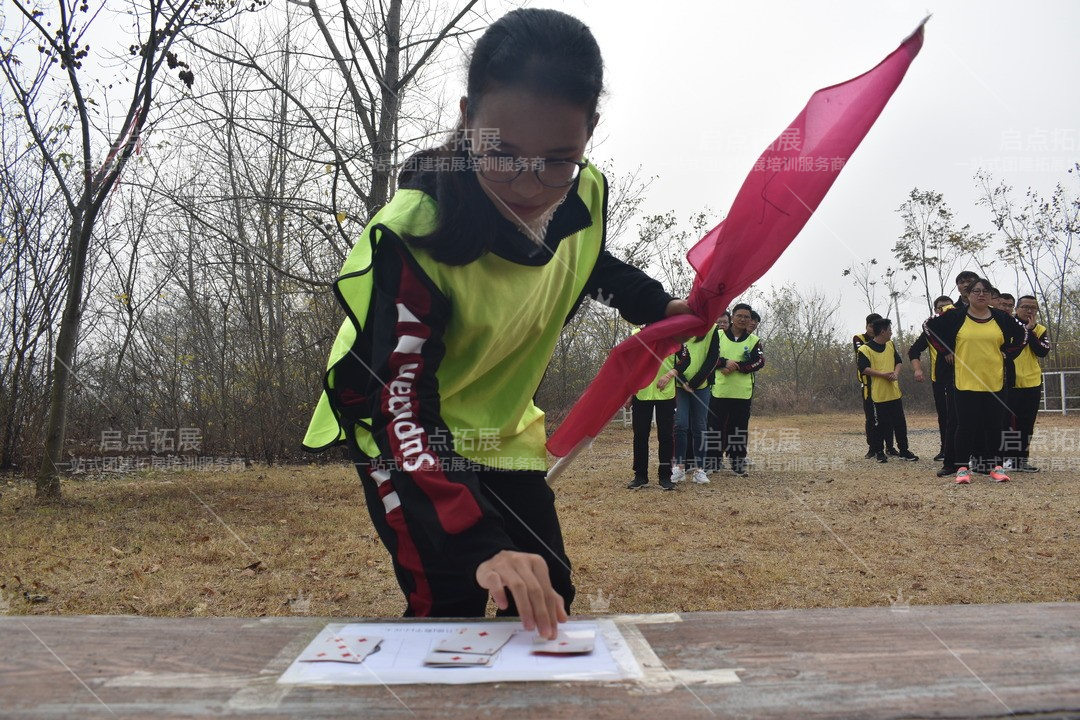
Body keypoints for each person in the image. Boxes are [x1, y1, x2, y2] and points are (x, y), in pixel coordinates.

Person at [302, 8, 692, 639]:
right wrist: (482, 542)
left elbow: (584, 256)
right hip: (400, 426)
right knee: (452, 595)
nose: (529, 186)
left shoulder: (582, 190)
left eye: (557, 159)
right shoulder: (414, 235)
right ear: (467, 118)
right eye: (502, 154)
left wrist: (655, 304)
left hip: (500, 428)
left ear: (589, 132)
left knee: (546, 591)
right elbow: (400, 403)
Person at [925, 277, 1027, 484]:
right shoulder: (955, 316)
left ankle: (996, 467)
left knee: (995, 426)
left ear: (991, 296)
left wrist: (1009, 353)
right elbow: (928, 327)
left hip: (995, 381)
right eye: (976, 291)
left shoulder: (1001, 317)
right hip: (965, 382)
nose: (981, 295)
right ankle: (962, 468)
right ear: (968, 295)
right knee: (965, 425)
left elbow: (1023, 333)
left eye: (985, 291)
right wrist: (946, 350)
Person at [711, 303, 765, 476]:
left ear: (750, 320)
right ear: (732, 317)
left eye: (746, 317)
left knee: (738, 428)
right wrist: (723, 363)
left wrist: (738, 366)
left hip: (742, 393)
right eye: (739, 316)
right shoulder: (717, 335)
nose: (742, 319)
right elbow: (710, 356)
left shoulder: (753, 340)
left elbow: (759, 362)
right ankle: (713, 460)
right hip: (718, 390)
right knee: (714, 427)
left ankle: (737, 462)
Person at [858, 318, 918, 463]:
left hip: (894, 392)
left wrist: (895, 373)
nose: (891, 333)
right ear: (883, 331)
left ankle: (904, 450)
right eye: (890, 330)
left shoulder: (890, 345)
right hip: (877, 394)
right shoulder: (864, 349)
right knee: (880, 424)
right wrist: (883, 375)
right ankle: (879, 451)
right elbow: (863, 369)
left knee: (899, 423)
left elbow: (898, 361)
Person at [670, 320, 720, 484]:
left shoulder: (712, 328)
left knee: (700, 426)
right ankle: (679, 467)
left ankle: (700, 470)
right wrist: (683, 380)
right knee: (681, 424)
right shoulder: (676, 326)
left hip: (702, 385)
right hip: (679, 384)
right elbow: (673, 356)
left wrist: (695, 382)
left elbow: (713, 358)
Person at [1005, 296, 1050, 472]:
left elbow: (1042, 351)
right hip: (1011, 382)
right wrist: (1024, 331)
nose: (1029, 310)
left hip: (1032, 382)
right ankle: (1008, 458)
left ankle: (1022, 460)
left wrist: (1030, 331)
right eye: (1025, 306)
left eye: (1034, 307)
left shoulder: (1040, 329)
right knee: (1009, 424)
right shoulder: (1008, 326)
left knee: (1027, 423)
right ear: (1017, 308)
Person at [628, 330, 677, 491]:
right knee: (640, 435)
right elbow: (630, 365)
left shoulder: (674, 334)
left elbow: (685, 360)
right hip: (641, 393)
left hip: (666, 393)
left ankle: (665, 476)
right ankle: (640, 476)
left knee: (666, 436)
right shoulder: (636, 334)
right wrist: (628, 393)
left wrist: (670, 374)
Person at [909, 295, 954, 461]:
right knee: (944, 414)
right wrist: (917, 370)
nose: (944, 310)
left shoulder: (961, 325)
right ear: (935, 310)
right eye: (940, 307)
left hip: (964, 378)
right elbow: (913, 351)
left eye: (948, 306)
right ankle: (945, 449)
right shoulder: (931, 330)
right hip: (940, 378)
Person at [854, 313, 896, 458]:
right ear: (867, 326)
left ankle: (890, 447)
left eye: (875, 326)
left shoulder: (888, 342)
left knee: (889, 417)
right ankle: (873, 447)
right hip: (869, 385)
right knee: (872, 418)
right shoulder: (860, 340)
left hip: (886, 384)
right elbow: (864, 362)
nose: (873, 329)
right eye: (871, 326)